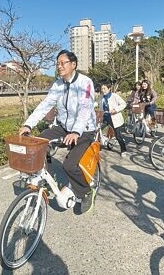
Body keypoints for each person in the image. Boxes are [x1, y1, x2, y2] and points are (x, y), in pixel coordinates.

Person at [19, 50, 97, 214]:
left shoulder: (86, 83)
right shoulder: (58, 85)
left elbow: (85, 109)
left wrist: (76, 131)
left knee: (70, 165)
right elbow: (45, 106)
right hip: (63, 127)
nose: (59, 66)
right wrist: (28, 125)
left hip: (84, 130)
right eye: (58, 63)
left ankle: (86, 192)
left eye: (63, 63)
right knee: (37, 144)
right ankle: (46, 179)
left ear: (73, 64)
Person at [100, 83, 129, 158]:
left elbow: (123, 104)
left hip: (114, 118)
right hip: (105, 117)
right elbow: (99, 105)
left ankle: (123, 150)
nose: (103, 90)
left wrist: (116, 110)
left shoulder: (114, 96)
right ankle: (101, 144)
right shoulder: (101, 97)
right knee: (98, 130)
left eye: (104, 89)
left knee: (118, 135)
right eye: (102, 89)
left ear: (109, 89)